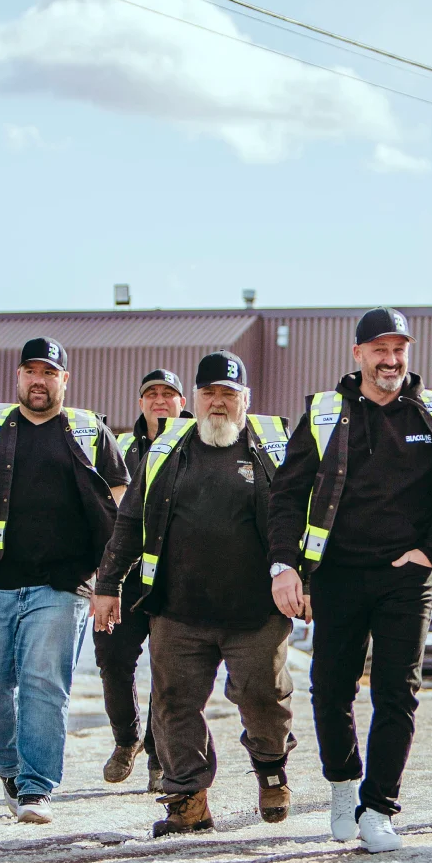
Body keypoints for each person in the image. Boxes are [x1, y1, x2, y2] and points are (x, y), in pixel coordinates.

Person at [268, 307, 432, 853]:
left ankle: (380, 806)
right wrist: (286, 564)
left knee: (398, 691)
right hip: (336, 572)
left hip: (406, 578)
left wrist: (431, 552)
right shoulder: (326, 412)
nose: (391, 359)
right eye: (379, 349)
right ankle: (342, 784)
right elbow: (287, 494)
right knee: (331, 688)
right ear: (357, 354)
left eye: (399, 349)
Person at [94, 352, 294, 837]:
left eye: (229, 394)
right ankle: (188, 799)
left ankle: (270, 770)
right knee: (174, 704)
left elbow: (298, 517)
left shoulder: (272, 448)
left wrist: (302, 577)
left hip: (255, 613)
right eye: (210, 394)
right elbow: (129, 521)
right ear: (196, 400)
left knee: (262, 698)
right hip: (178, 610)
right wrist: (108, 584)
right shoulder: (166, 451)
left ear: (246, 399)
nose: (218, 404)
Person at [0, 337, 129, 823]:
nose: (38, 380)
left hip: (63, 586)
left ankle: (36, 788)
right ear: (18, 376)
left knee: (44, 683)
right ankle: (9, 768)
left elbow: (121, 514)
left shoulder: (90, 431)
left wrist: (110, 583)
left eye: (49, 372)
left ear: (65, 379)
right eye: (30, 371)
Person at [95, 368, 187, 791]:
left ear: (182, 402)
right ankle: (125, 739)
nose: (160, 401)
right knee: (114, 662)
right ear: (140, 403)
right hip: (127, 578)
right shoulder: (122, 447)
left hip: (177, 579)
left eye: (169, 394)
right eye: (152, 394)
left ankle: (156, 754)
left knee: (168, 670)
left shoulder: (196, 444)